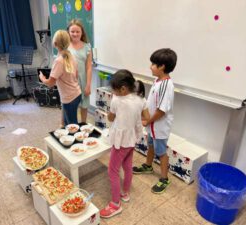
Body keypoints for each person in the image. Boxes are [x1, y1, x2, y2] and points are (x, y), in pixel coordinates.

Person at [100, 70, 150, 219]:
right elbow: (146, 117)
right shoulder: (140, 99)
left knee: (112, 171)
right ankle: (125, 193)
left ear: (123, 88)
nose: (112, 92)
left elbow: (110, 118)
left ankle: (115, 204)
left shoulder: (117, 100)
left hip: (121, 142)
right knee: (127, 166)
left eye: (114, 89)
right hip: (132, 139)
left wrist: (113, 115)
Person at [133, 48, 177, 194]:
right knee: (150, 145)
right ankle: (148, 165)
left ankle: (164, 178)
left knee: (161, 152)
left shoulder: (166, 85)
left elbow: (161, 110)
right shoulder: (157, 81)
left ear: (162, 66)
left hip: (159, 126)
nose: (150, 67)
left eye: (153, 64)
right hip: (153, 125)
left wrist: (148, 121)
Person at [39, 30, 81, 125]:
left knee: (72, 126)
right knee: (68, 124)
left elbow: (50, 84)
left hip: (69, 98)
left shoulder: (59, 61)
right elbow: (76, 75)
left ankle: (77, 138)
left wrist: (42, 78)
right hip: (76, 94)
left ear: (55, 43)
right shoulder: (71, 56)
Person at [67, 19, 92, 124]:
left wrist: (88, 85)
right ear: (68, 32)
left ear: (82, 32)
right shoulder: (65, 46)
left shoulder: (87, 47)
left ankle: (83, 124)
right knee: (69, 105)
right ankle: (66, 124)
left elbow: (89, 67)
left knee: (84, 105)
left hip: (83, 80)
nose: (75, 34)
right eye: (72, 31)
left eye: (78, 31)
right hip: (70, 81)